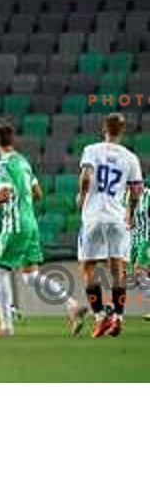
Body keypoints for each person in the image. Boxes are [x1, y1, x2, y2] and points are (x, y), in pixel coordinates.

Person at [0, 122, 83, 337]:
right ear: (13, 140)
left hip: (15, 225)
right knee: (31, 275)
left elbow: (4, 195)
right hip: (31, 224)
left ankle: (6, 326)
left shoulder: (2, 164)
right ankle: (71, 303)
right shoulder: (23, 162)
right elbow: (38, 194)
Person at [77, 113, 143, 338]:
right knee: (118, 271)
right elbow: (136, 191)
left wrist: (82, 195)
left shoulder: (92, 149)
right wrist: (130, 213)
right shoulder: (130, 157)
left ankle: (99, 317)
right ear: (122, 131)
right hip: (117, 217)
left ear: (104, 128)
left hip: (93, 216)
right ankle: (118, 317)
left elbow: (86, 176)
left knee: (88, 268)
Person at [129, 184, 150, 320]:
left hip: (147, 238)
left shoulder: (149, 195)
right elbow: (129, 220)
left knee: (139, 270)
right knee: (135, 277)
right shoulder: (128, 197)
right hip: (134, 239)